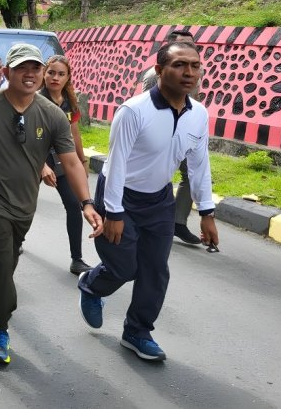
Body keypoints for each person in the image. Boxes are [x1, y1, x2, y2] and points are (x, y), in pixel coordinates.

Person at [0, 43, 102, 365]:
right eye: (22, 68)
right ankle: (0, 328)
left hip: (24, 202)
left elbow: (71, 162)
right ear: (6, 72)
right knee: (0, 260)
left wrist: (87, 203)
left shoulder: (52, 114)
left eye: (35, 68)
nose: (30, 74)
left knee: (3, 262)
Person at [77, 41, 218, 362]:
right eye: (180, 65)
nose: (189, 72)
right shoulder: (133, 111)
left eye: (195, 66)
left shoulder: (199, 115)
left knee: (155, 270)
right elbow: (116, 165)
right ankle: (92, 285)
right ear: (159, 71)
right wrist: (113, 212)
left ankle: (137, 331)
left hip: (159, 200)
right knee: (125, 267)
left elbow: (199, 164)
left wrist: (207, 211)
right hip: (120, 196)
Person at [140, 29, 203, 246]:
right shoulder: (152, 76)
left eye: (193, 45)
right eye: (184, 44)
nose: (190, 49)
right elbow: (148, 106)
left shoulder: (195, 73)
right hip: (159, 138)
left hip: (184, 135)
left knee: (192, 174)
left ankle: (178, 222)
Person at [39, 55, 92, 274]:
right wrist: (42, 166)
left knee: (74, 205)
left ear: (68, 77)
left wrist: (82, 161)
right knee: (23, 205)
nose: (55, 78)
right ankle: (16, 242)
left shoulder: (69, 101)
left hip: (61, 158)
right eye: (51, 72)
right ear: (44, 73)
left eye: (61, 74)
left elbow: (74, 133)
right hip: (34, 157)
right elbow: (24, 136)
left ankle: (77, 259)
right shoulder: (34, 99)